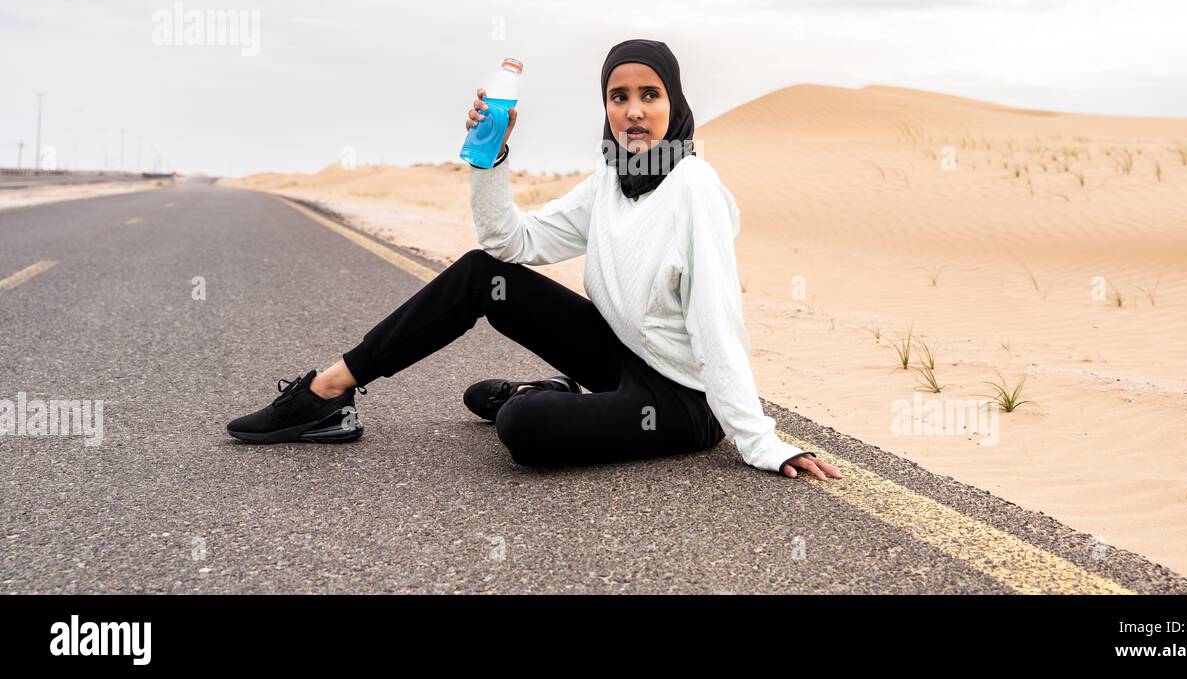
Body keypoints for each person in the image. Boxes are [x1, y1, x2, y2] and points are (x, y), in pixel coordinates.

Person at [227, 39, 840, 482]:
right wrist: (492, 158)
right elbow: (508, 244)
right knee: (481, 275)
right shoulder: (608, 182)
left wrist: (760, 441)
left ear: (673, 103)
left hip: (681, 400)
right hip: (620, 353)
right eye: (618, 96)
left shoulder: (695, 190)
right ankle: (327, 393)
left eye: (649, 95)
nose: (633, 111)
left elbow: (717, 321)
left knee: (524, 426)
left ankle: (540, 397)